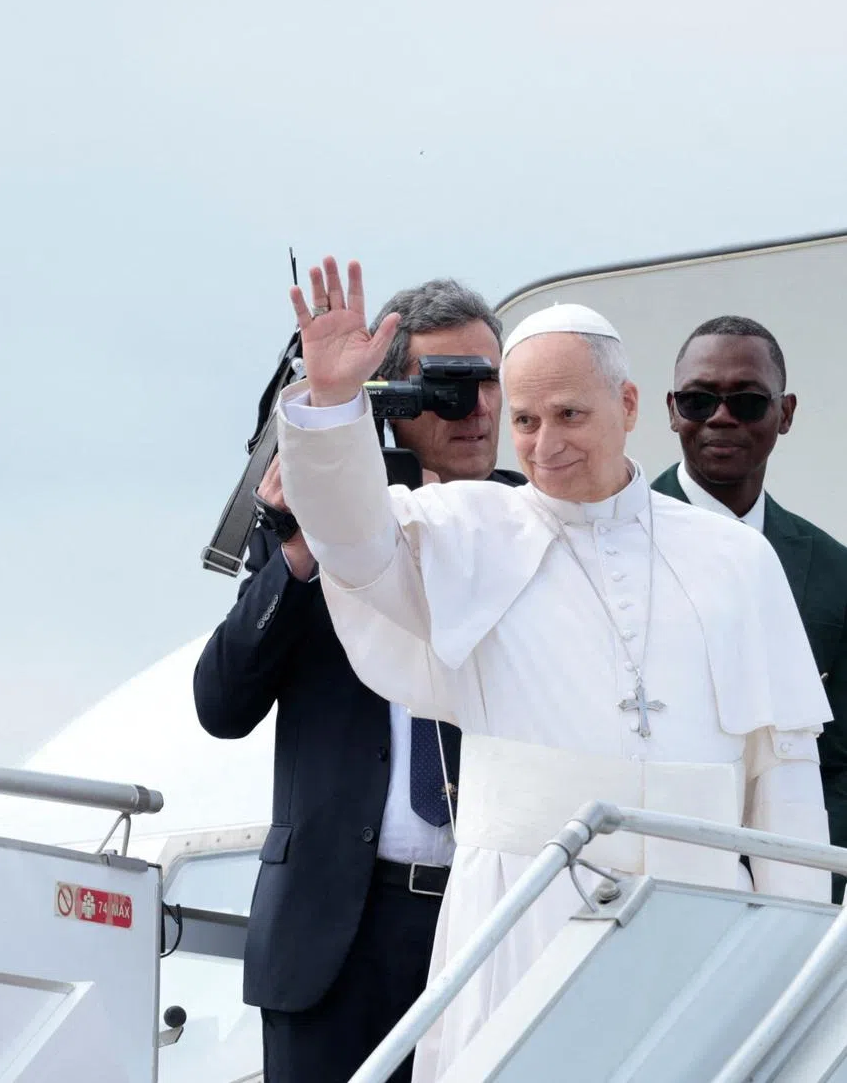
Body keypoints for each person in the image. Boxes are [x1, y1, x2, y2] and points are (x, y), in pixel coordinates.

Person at [275, 256, 832, 1082]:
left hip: (698, 914)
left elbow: (782, 784)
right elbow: (353, 544)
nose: (545, 445)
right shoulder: (467, 530)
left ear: (630, 406)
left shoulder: (735, 562)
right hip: (521, 915)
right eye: (527, 420)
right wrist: (332, 406)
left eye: (570, 414)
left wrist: (801, 972)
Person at [193, 278, 524, 1083]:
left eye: (491, 382)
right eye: (448, 388)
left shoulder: (533, 526)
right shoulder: (321, 527)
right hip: (338, 930)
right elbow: (222, 703)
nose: (478, 408)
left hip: (492, 913)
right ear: (392, 398)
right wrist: (308, 546)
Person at [653, 314, 847, 899]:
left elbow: (840, 762)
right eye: (698, 399)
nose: (720, 416)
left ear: (785, 414)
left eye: (748, 402)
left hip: (791, 895)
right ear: (670, 410)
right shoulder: (608, 538)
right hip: (647, 877)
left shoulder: (834, 572)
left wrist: (809, 880)